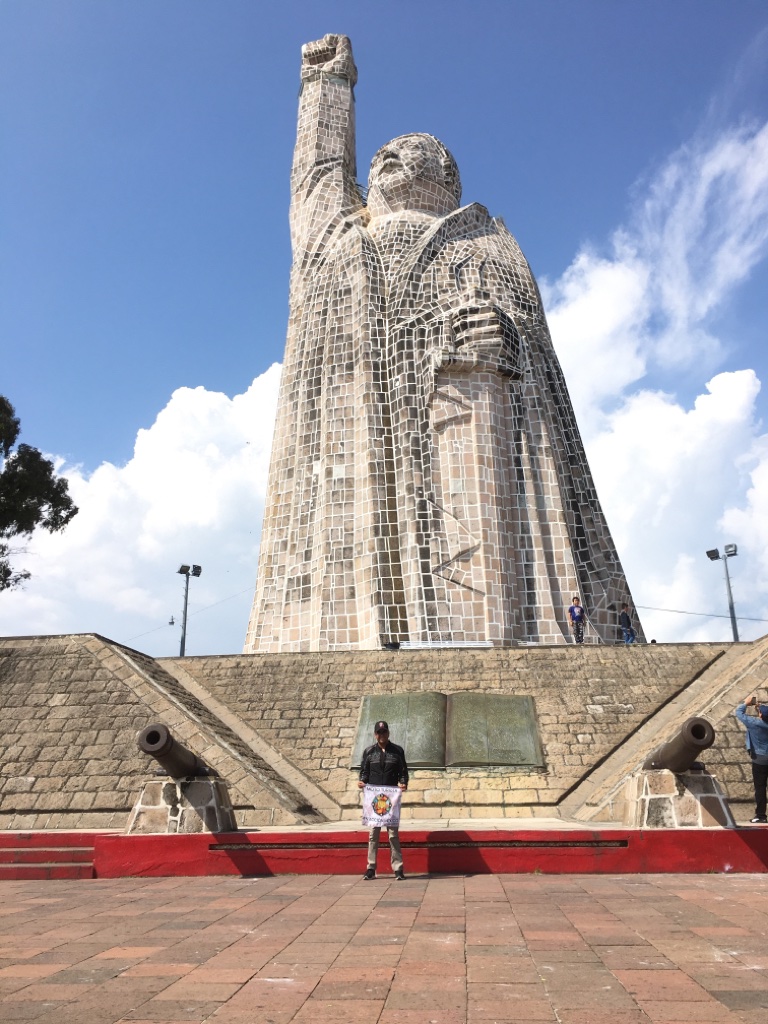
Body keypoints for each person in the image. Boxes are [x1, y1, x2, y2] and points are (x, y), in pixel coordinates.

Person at [358, 720, 409, 879]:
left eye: (384, 732)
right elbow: (364, 772)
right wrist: (362, 781)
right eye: (379, 733)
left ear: (388, 733)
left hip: (390, 800)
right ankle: (371, 868)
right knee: (374, 834)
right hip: (374, 800)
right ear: (375, 735)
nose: (382, 735)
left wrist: (403, 783)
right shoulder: (369, 752)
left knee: (393, 834)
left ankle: (398, 868)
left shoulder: (397, 751)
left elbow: (403, 772)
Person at [734, 695, 768, 823]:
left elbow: (739, 712)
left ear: (761, 716)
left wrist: (746, 703)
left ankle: (761, 815)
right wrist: (760, 709)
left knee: (760, 788)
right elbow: (765, 716)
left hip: (759, 760)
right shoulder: (760, 722)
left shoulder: (754, 723)